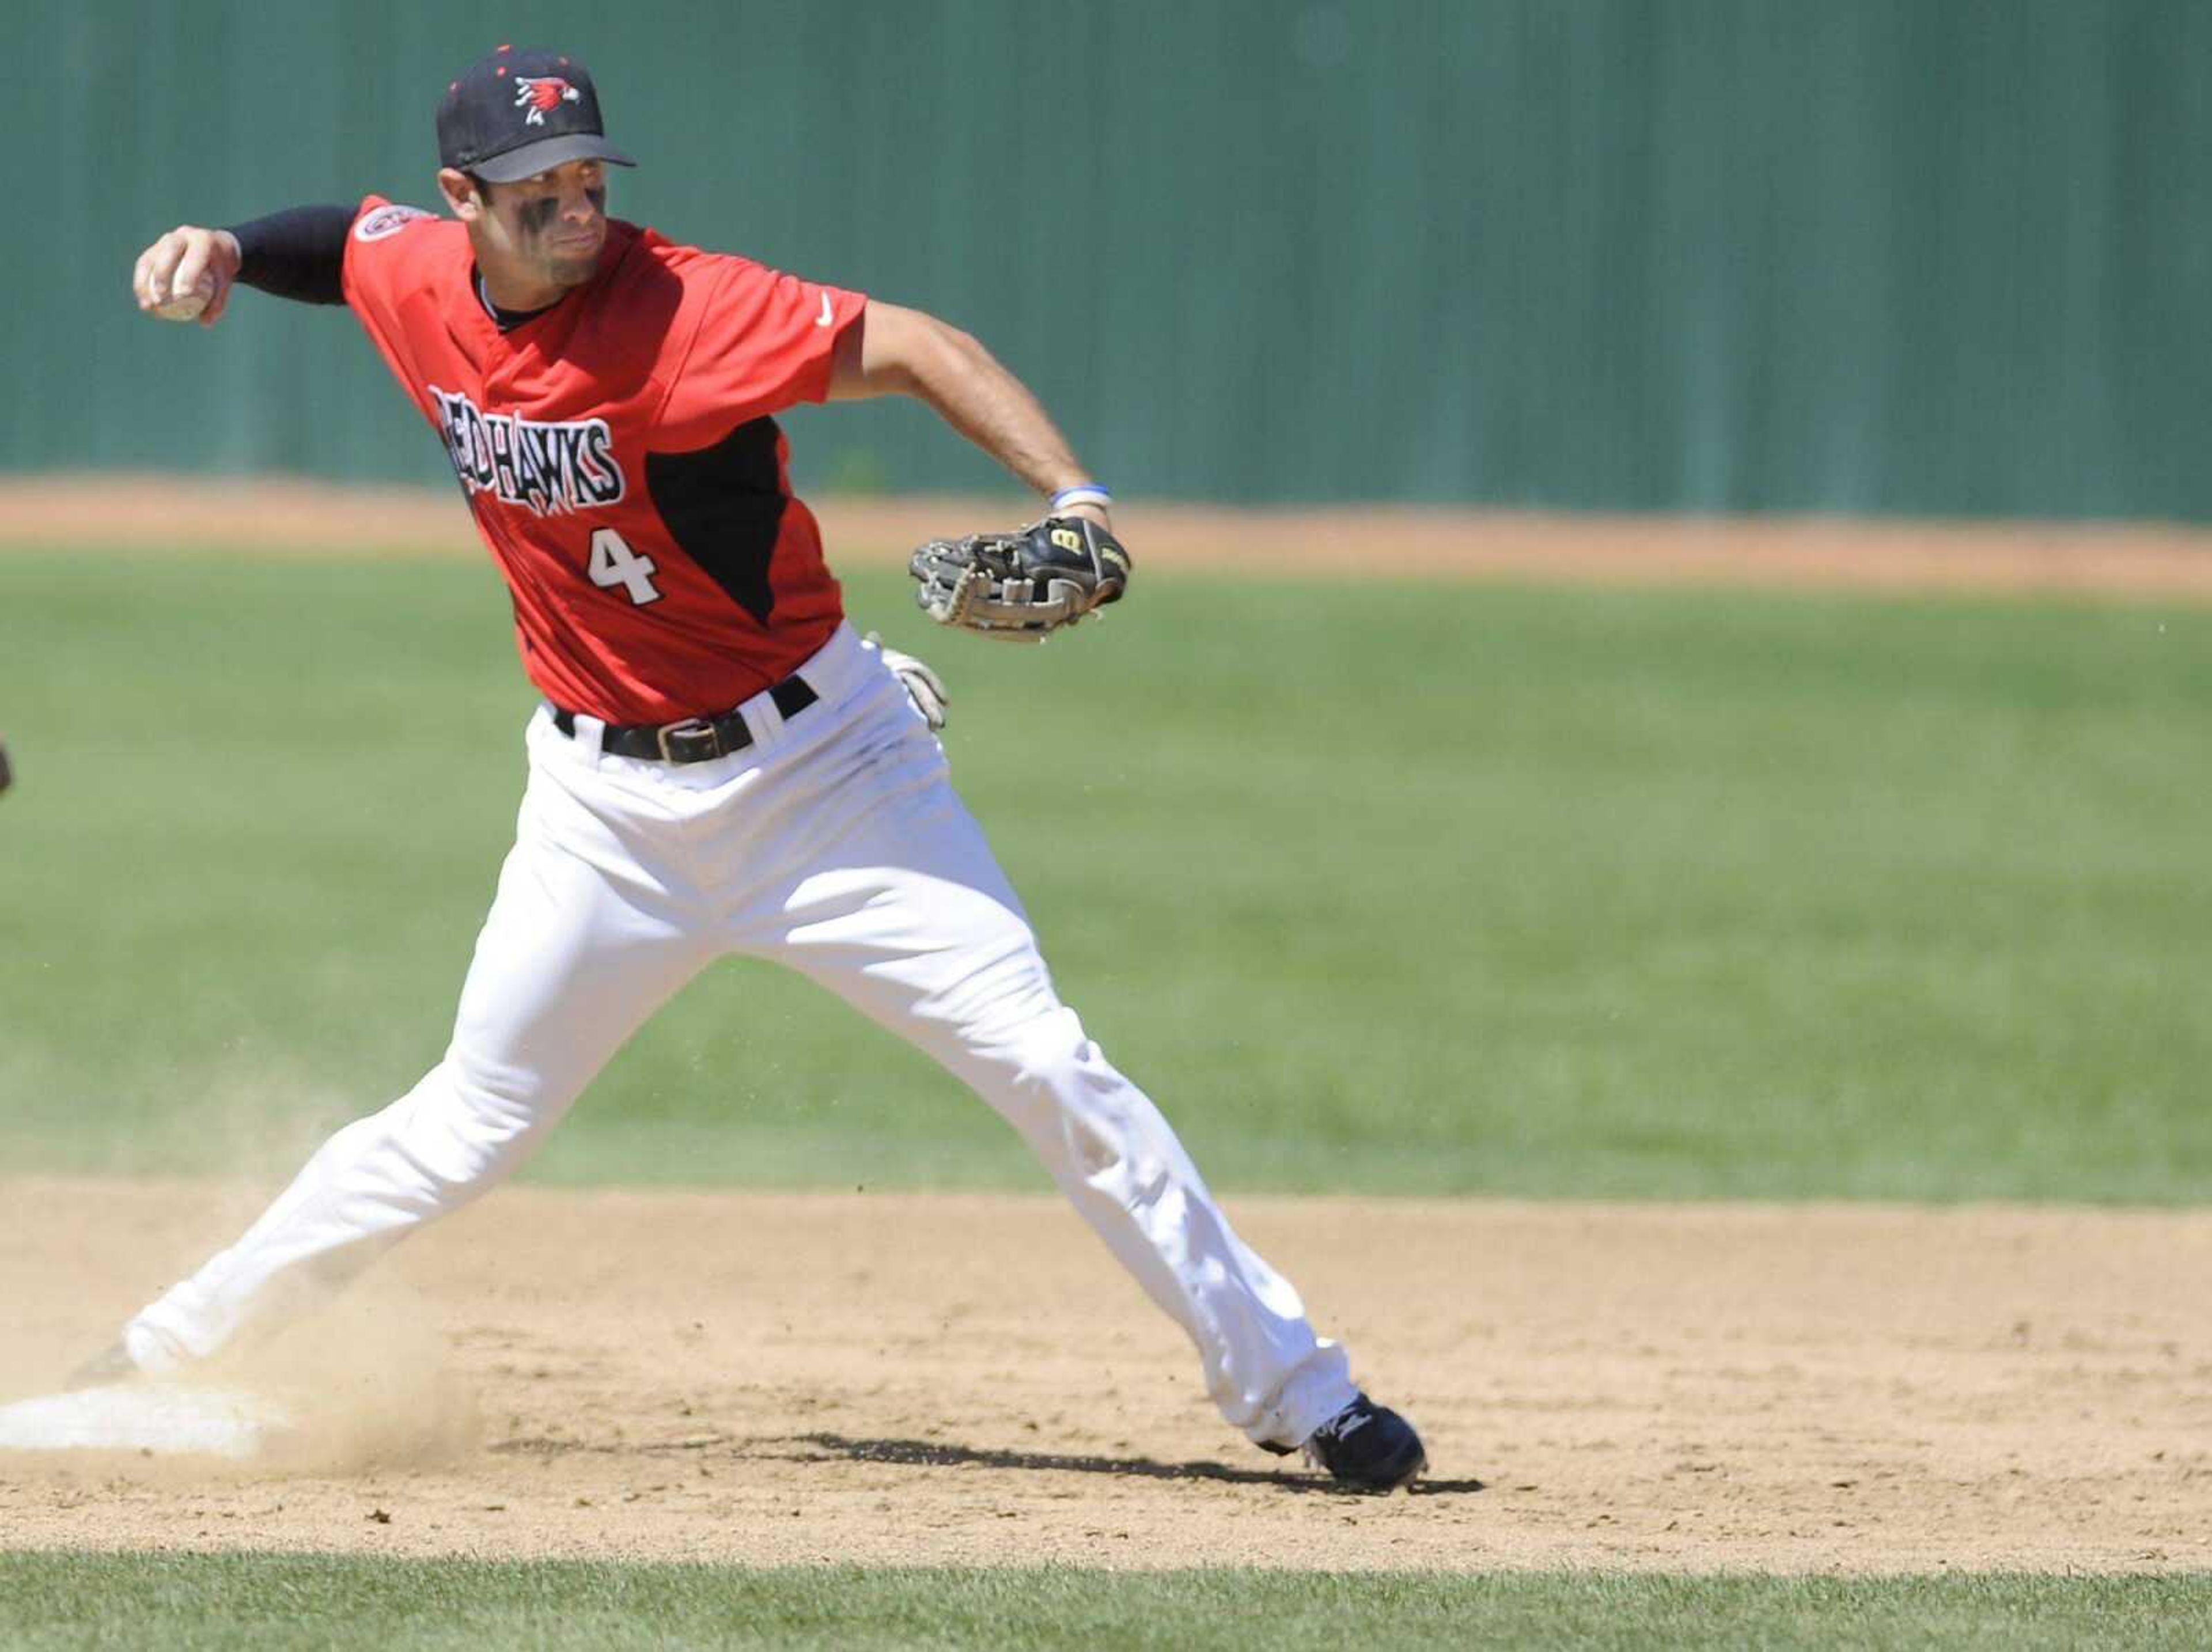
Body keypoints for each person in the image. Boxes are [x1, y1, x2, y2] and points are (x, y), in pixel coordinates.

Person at [100, 44, 1427, 1491]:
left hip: (831, 785)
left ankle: (1302, 1392)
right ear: (461, 203)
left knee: (1054, 1068)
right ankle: (165, 1349)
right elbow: (338, 248)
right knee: (462, 1126)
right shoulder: (419, 275)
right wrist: (227, 247)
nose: (574, 207)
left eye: (589, 177)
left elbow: (919, 346)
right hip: (601, 815)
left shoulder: (683, 310)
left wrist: (1076, 499)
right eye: (535, 189)